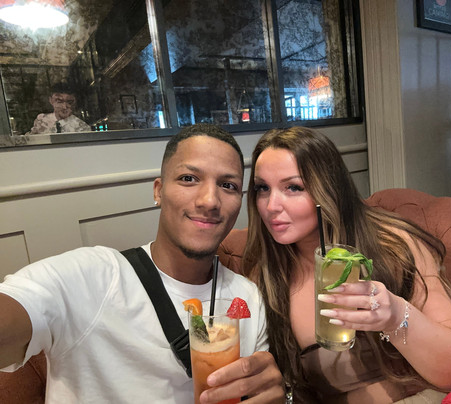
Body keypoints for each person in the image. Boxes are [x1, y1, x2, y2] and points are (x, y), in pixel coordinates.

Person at [0, 123, 284, 403]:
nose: (210, 200)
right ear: (158, 191)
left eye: (227, 185)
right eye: (188, 178)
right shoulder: (93, 276)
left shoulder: (247, 299)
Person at [242, 127, 451, 403]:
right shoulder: (266, 278)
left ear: (329, 189)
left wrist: (395, 316)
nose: (271, 205)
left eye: (293, 187)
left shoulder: (394, 247)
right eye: (262, 188)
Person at [26, 82, 90, 135]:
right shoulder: (42, 121)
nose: (64, 107)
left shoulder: (80, 126)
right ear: (51, 100)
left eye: (69, 102)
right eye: (59, 101)